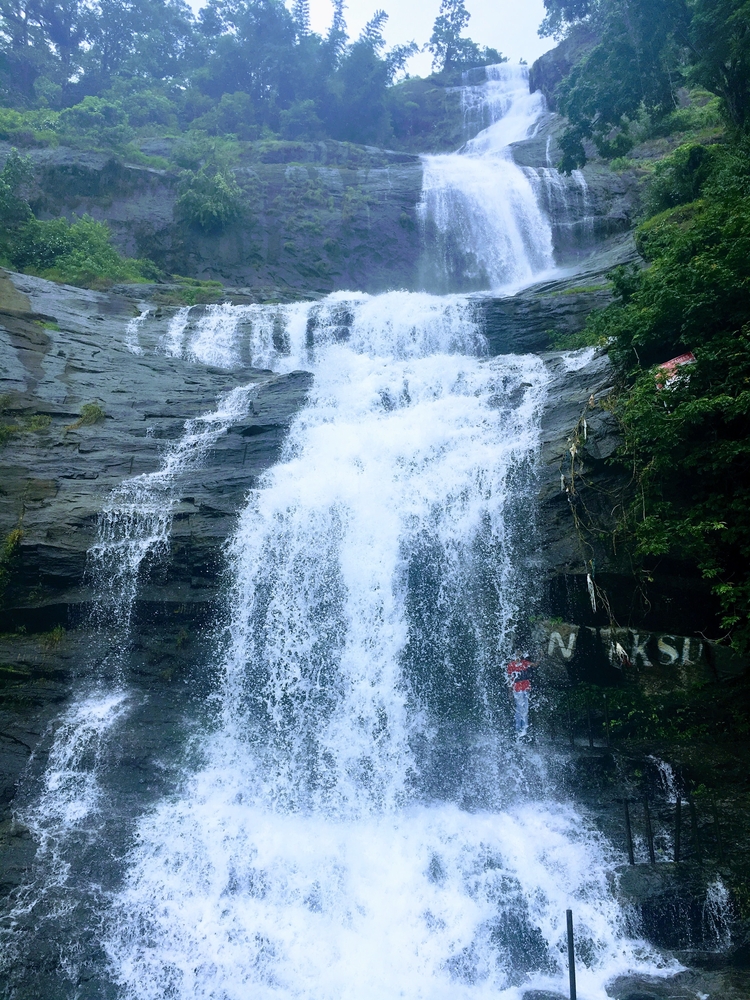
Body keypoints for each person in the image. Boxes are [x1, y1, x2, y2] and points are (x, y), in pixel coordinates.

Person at [507, 652, 538, 739]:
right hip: (517, 688)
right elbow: (509, 679)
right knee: (519, 709)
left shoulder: (524, 662)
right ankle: (518, 730)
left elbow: (534, 665)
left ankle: (525, 729)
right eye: (516, 655)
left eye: (519, 655)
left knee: (526, 708)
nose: (518, 656)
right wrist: (509, 691)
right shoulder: (511, 665)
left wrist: (540, 657)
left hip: (526, 688)